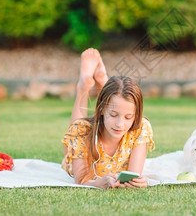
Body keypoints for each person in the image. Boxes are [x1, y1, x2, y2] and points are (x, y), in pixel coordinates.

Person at [62, 48, 154, 189]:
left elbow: (133, 175)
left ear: (135, 115)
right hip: (79, 149)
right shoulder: (81, 131)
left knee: (115, 100)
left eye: (128, 117)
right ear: (102, 109)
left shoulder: (141, 128)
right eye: (113, 115)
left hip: (108, 107)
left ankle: (102, 80)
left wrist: (138, 182)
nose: (120, 124)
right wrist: (96, 183)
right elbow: (80, 180)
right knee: (79, 127)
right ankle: (83, 87)